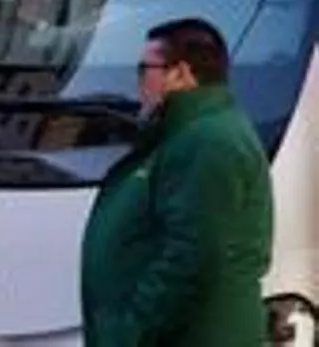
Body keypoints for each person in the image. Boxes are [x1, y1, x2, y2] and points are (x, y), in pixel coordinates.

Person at [80, 17, 273, 347]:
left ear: (181, 74)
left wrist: (131, 330)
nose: (138, 83)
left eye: (144, 70)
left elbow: (191, 257)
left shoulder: (208, 141)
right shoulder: (184, 134)